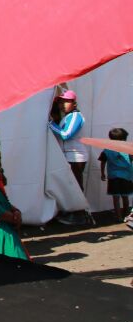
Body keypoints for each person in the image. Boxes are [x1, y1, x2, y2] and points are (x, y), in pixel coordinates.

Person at [48, 90, 90, 225]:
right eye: (61, 102)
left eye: (66, 101)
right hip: (70, 155)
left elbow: (66, 134)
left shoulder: (76, 116)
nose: (62, 104)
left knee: (76, 186)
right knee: (73, 185)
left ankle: (80, 215)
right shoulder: (68, 117)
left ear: (74, 103)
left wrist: (50, 124)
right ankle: (75, 213)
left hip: (76, 157)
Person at [98, 127, 132, 221]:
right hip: (126, 176)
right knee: (125, 196)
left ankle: (118, 217)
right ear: (122, 140)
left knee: (116, 198)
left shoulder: (107, 150)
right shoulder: (128, 149)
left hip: (113, 177)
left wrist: (102, 173)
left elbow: (103, 162)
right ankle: (127, 214)